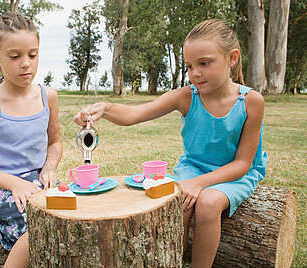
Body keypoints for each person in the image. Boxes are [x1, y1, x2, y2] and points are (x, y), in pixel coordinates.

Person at [73, 19, 267, 267]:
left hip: (234, 174)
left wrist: (197, 184)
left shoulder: (251, 101)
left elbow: (242, 163)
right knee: (178, 203)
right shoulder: (187, 97)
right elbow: (134, 115)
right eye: (189, 65)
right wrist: (104, 108)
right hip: (193, 167)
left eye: (204, 63)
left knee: (207, 204)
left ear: (232, 58)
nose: (195, 73)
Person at [0, 12, 63, 268]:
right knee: (39, 220)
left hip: (38, 182)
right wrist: (14, 184)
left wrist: (49, 168)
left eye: (32, 54)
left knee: (70, 209)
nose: (26, 64)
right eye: (15, 56)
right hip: (1, 188)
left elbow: (55, 142)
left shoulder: (48, 96)